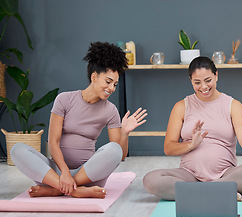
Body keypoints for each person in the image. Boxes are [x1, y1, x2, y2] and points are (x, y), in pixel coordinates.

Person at [11, 42, 147, 198]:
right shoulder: (64, 99)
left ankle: (58, 189)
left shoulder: (110, 110)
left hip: (88, 175)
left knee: (114, 149)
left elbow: (120, 155)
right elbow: (53, 142)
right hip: (57, 172)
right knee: (17, 149)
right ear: (94, 77)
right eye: (108, 82)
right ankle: (74, 189)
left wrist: (124, 132)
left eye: (115, 84)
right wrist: (65, 174)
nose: (112, 88)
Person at [143, 56, 242, 201]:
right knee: (150, 179)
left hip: (226, 175)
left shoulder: (233, 105)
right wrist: (191, 144)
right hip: (189, 175)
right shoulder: (181, 106)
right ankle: (219, 191)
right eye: (197, 82)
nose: (203, 87)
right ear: (190, 80)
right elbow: (168, 148)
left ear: (216, 76)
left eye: (208, 80)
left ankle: (203, 191)